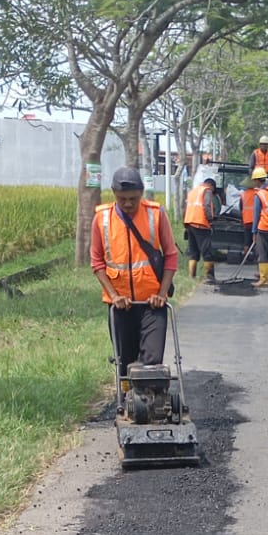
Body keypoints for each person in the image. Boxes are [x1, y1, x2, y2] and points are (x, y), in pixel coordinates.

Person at [91, 166, 179, 392]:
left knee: (152, 361)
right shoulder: (102, 219)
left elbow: (170, 256)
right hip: (120, 306)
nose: (128, 204)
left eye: (133, 199)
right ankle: (129, 404)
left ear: (141, 193)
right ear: (113, 193)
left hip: (151, 304)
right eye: (122, 199)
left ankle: (151, 401)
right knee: (124, 361)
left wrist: (161, 294)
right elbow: (97, 263)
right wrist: (114, 296)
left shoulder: (156, 214)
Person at [183, 171, 219, 284]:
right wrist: (211, 220)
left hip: (190, 223)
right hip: (201, 224)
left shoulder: (193, 191)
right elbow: (207, 205)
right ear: (211, 186)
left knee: (193, 251)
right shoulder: (206, 190)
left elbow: (185, 207)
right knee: (207, 251)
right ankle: (209, 277)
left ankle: (191, 276)